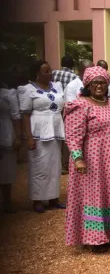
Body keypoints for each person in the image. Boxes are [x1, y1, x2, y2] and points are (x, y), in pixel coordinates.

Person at [63, 66, 110, 253]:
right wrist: (78, 159)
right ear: (87, 84)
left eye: (103, 82)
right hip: (92, 159)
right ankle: (94, 238)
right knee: (94, 195)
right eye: (95, 82)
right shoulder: (80, 105)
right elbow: (73, 135)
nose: (99, 86)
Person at [18, 60, 66, 213]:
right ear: (37, 74)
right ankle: (38, 199)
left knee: (54, 166)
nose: (50, 73)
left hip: (55, 130)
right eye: (45, 71)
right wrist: (29, 137)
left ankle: (53, 197)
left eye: (50, 70)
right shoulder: (27, 89)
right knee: (39, 166)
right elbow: (25, 115)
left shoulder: (57, 86)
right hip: (39, 131)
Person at [0, 77, 22, 213]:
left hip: (6, 130)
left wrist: (18, 137)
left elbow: (16, 115)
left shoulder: (8, 94)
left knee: (6, 169)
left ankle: (7, 201)